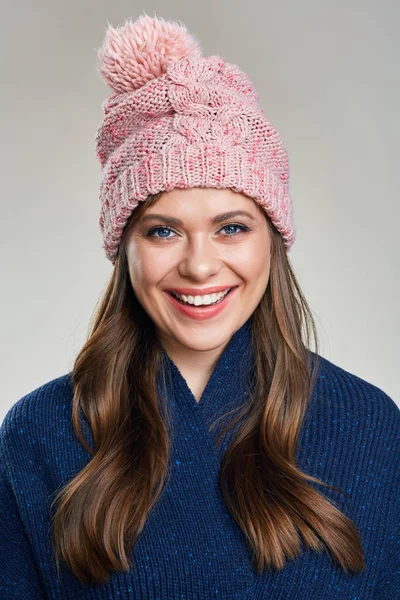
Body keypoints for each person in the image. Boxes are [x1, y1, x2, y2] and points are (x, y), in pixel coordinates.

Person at [0, 13, 399, 599]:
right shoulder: (40, 433)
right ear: (123, 250)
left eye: (231, 228)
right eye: (162, 232)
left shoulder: (369, 426)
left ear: (273, 240)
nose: (200, 265)